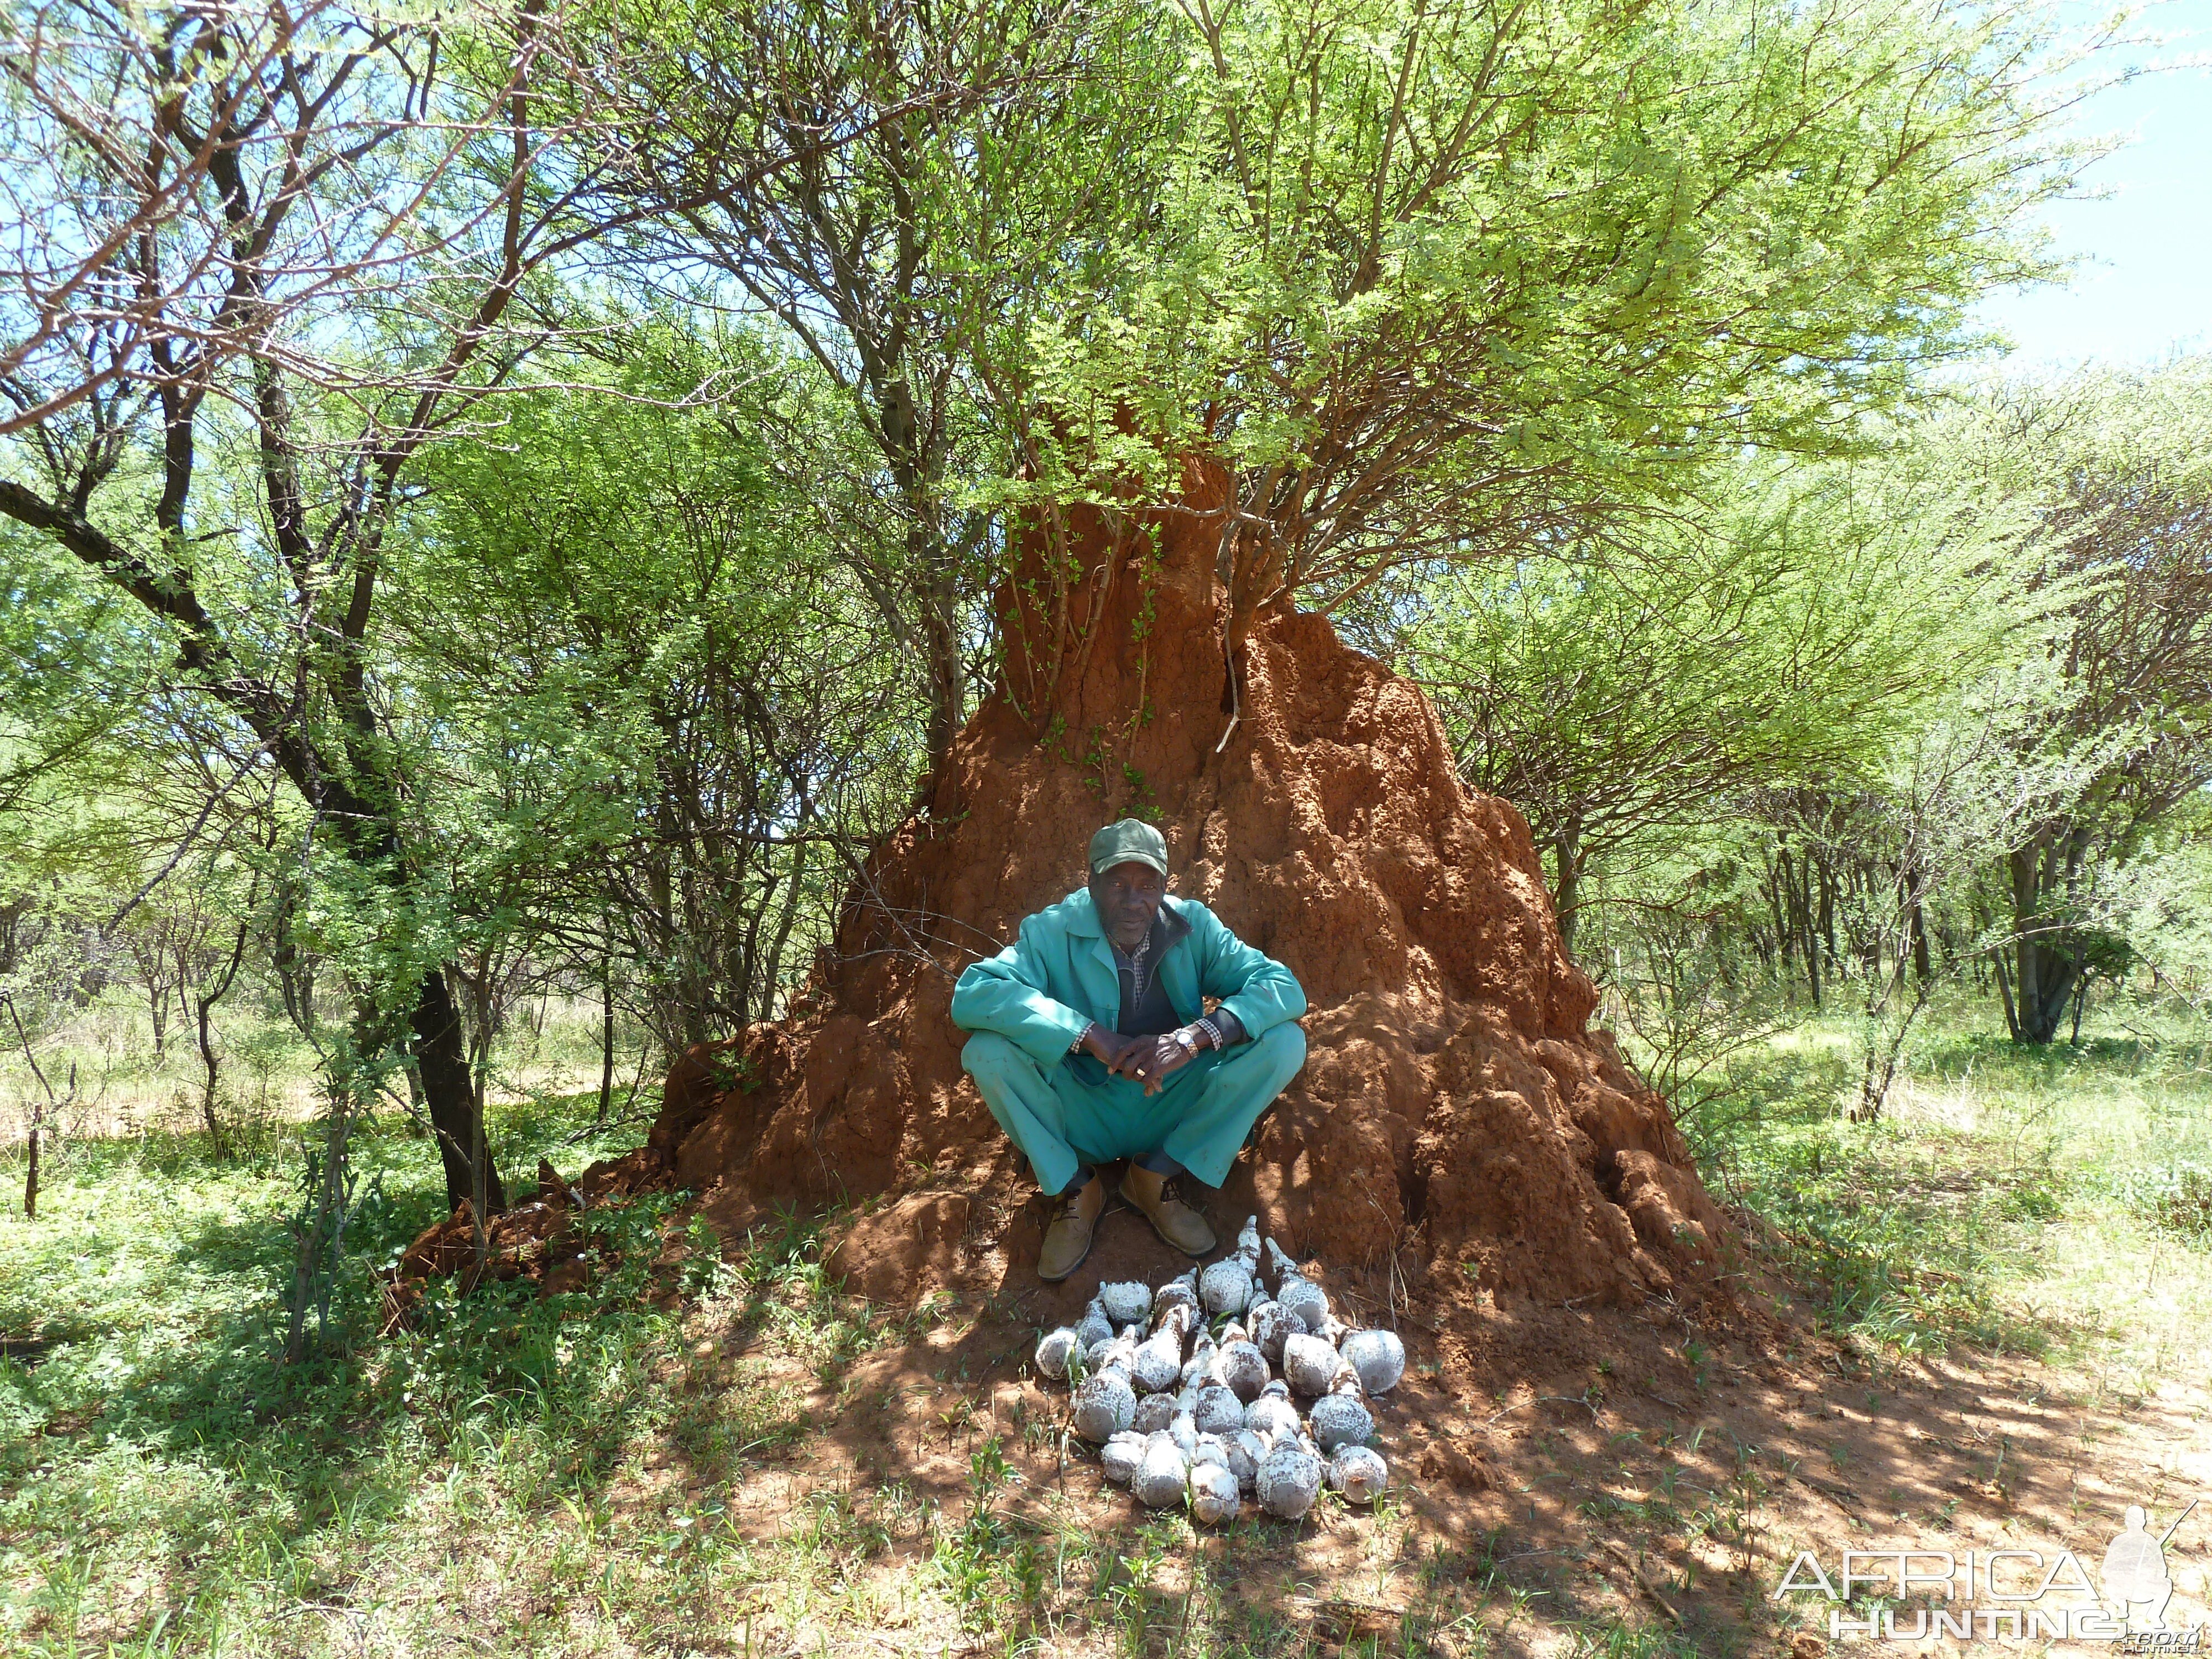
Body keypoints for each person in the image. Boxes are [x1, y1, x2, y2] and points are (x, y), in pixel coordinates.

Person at [952, 818, 1308, 1280]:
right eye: (1117, 883)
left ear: (1164, 886)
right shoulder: (1051, 931)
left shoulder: (1192, 926)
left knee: (1284, 1042)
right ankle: (1075, 1188)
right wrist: (1089, 1035)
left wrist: (1191, 1038)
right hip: (1083, 1109)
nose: (1133, 900)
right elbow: (974, 993)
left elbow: (1283, 986)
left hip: (1169, 1105)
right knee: (987, 1051)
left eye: (1147, 885)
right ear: (1092, 884)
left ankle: (1158, 1175)